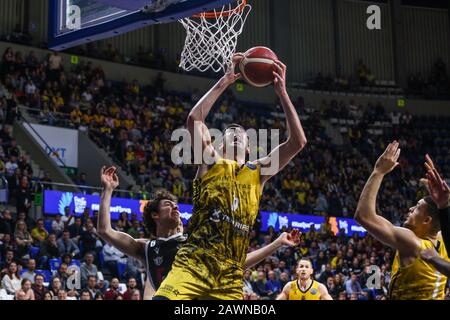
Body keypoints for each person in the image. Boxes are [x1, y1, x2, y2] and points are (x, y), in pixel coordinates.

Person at [155, 54, 307, 300]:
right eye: (229, 131)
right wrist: (224, 81)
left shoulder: (258, 173)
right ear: (219, 142)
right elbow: (194, 119)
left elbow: (298, 142)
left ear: (249, 148)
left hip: (230, 277)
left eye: (241, 132)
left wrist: (282, 93)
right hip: (194, 264)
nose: (235, 132)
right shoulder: (210, 160)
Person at [355, 144, 449, 299]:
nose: (411, 208)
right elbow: (444, 216)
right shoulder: (443, 240)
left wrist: (378, 172)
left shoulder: (413, 243)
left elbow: (364, 216)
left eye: (417, 207)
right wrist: (442, 201)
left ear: (427, 220)